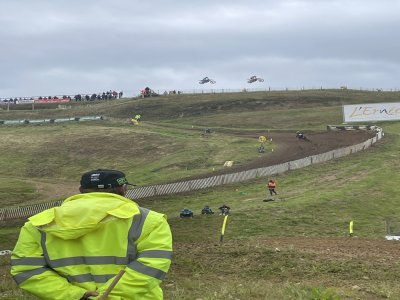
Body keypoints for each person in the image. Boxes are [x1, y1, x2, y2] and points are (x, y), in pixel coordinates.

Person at [11, 169, 173, 300]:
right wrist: (107, 296)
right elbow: (152, 266)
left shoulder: (38, 224)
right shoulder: (149, 220)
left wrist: (75, 296)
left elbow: (27, 271)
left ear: (81, 190)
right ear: (123, 189)